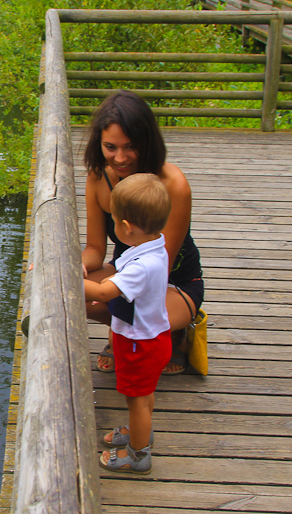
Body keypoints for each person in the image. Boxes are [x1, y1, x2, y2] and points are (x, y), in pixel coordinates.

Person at [82, 90, 203, 375]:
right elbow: (95, 250)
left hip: (172, 281)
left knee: (124, 306)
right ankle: (126, 330)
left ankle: (173, 335)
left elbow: (163, 264)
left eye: (130, 147)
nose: (120, 158)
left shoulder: (173, 183)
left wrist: (109, 293)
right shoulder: (98, 177)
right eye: (110, 147)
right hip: (125, 269)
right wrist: (77, 268)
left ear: (147, 141)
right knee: (72, 297)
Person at [83, 173, 172, 473]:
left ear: (124, 227)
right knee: (144, 395)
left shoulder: (143, 265)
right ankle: (140, 431)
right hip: (152, 337)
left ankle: (137, 453)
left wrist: (65, 274)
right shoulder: (154, 246)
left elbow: (103, 292)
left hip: (139, 343)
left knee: (136, 399)